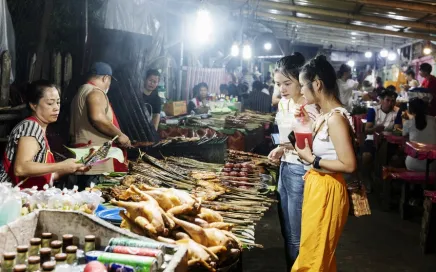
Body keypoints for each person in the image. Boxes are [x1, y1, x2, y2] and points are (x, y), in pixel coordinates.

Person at [292, 55, 356, 272]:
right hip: (318, 188)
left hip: (328, 191)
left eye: (302, 86)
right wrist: (303, 122)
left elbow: (349, 165)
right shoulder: (324, 116)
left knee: (314, 258)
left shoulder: (336, 118)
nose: (300, 91)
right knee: (314, 253)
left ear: (316, 84)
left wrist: (312, 159)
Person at [267, 52, 319, 270]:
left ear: (301, 80)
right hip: (286, 167)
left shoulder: (311, 108)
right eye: (278, 84)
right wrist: (281, 148)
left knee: (298, 235)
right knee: (286, 231)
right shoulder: (284, 105)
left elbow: (313, 144)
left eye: (287, 83)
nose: (282, 89)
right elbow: (288, 137)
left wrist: (286, 146)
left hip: (301, 170)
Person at [0, 80, 89, 190]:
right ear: (33, 105)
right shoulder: (31, 127)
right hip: (12, 199)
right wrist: (62, 165)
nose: (56, 107)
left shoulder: (40, 129)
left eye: (58, 102)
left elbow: (45, 175)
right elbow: (21, 168)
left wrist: (71, 168)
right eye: (50, 103)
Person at [69, 62, 131, 190]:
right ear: (105, 78)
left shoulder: (80, 92)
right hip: (96, 161)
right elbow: (97, 117)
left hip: (84, 157)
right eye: (109, 81)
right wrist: (120, 135)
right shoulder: (95, 92)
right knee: (96, 199)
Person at [362, 89, 402, 191]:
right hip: (372, 139)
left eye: (392, 101)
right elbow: (367, 130)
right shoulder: (373, 110)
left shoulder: (397, 112)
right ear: (382, 100)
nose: (390, 103)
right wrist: (375, 129)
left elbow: (397, 129)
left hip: (390, 141)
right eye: (387, 100)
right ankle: (367, 179)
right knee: (366, 156)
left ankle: (390, 184)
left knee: (397, 159)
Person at [402, 98, 436, 171]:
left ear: (410, 110)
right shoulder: (434, 121)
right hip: (432, 165)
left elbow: (404, 136)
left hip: (412, 164)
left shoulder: (408, 123)